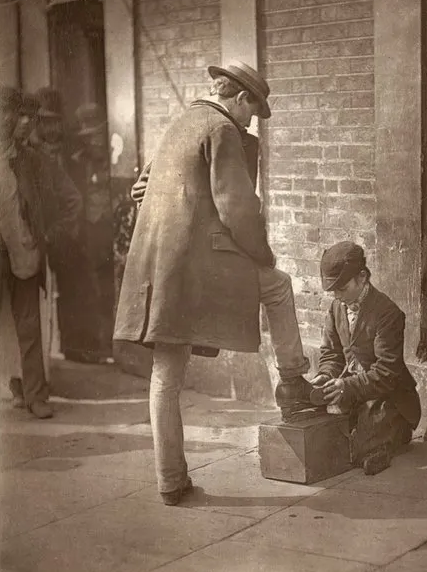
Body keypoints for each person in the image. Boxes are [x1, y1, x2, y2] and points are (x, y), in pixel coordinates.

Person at [114, 60, 324, 505]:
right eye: (254, 110)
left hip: (161, 271)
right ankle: (291, 383)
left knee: (164, 377)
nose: (252, 121)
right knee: (279, 284)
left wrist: (144, 192)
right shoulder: (224, 129)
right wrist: (263, 254)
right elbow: (236, 210)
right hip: (200, 267)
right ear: (240, 97)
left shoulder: (181, 122)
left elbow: (144, 184)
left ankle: (171, 482)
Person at [0, 87, 82, 418]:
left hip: (25, 254)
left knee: (28, 323)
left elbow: (71, 200)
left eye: (23, 116)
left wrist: (48, 234)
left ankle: (34, 394)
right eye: (12, 114)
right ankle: (17, 385)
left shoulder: (33, 161)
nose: (19, 122)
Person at [310, 241, 422, 475]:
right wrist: (325, 375)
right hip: (355, 391)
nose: (337, 295)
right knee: (326, 431)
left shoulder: (387, 313)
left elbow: (386, 373)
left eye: (342, 288)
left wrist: (347, 386)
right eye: (333, 290)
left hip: (388, 396)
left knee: (361, 437)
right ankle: (371, 440)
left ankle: (396, 434)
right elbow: (332, 354)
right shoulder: (336, 308)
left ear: (362, 277)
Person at [32, 88, 100, 363]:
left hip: (71, 232)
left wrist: (70, 229)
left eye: (55, 121)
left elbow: (77, 194)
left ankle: (77, 347)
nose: (51, 127)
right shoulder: (32, 154)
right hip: (44, 232)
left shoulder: (72, 150)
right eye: (45, 121)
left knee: (77, 287)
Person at [68, 103, 114, 359]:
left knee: (107, 286)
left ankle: (108, 342)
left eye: (96, 136)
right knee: (91, 287)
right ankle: (95, 343)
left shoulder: (114, 158)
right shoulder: (79, 162)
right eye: (88, 137)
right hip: (89, 229)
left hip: (108, 227)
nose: (93, 142)